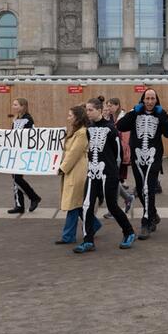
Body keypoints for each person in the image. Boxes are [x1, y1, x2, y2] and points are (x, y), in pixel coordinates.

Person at [74, 96, 136, 253]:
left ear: (99, 110)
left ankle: (129, 232)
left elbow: (118, 153)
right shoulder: (89, 129)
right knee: (87, 205)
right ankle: (88, 240)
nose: (87, 113)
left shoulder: (110, 128)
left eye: (90, 110)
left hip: (108, 173)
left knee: (112, 206)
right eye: (86, 110)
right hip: (92, 172)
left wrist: (115, 173)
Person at [116, 89, 168, 239]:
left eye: (152, 99)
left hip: (153, 157)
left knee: (148, 188)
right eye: (147, 98)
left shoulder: (160, 114)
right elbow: (121, 126)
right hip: (137, 157)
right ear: (143, 100)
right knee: (141, 189)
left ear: (156, 100)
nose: (149, 102)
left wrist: (163, 115)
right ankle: (153, 214)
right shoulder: (135, 114)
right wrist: (133, 112)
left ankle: (146, 222)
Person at [56, 105, 100, 244]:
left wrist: (62, 168)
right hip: (74, 171)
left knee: (73, 205)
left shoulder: (81, 133)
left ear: (77, 117)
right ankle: (94, 225)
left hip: (77, 171)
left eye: (70, 115)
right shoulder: (76, 131)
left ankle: (68, 236)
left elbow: (74, 154)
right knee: (78, 204)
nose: (68, 117)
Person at [7, 98, 43, 214]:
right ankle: (19, 205)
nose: (13, 106)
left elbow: (29, 136)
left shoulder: (28, 119)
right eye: (13, 104)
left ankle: (34, 197)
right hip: (15, 151)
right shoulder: (16, 119)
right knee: (15, 178)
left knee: (17, 178)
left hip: (23, 153)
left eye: (16, 105)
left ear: (23, 106)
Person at [105, 97, 134, 215]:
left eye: (110, 106)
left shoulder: (123, 118)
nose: (108, 108)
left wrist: (125, 156)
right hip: (111, 153)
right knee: (114, 180)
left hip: (119, 154)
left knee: (114, 180)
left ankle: (113, 209)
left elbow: (126, 140)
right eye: (107, 106)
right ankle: (127, 198)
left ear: (117, 105)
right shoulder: (110, 117)